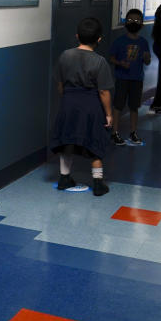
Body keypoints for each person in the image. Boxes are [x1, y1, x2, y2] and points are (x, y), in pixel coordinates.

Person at [50, 17, 113, 196]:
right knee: (95, 143)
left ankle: (64, 178)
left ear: (77, 36)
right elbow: (104, 92)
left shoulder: (65, 56)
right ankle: (98, 183)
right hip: (91, 106)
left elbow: (60, 84)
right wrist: (108, 114)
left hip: (69, 103)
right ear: (99, 39)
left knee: (66, 141)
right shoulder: (99, 61)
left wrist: (67, 98)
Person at [109, 8, 152, 146]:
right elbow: (111, 58)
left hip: (137, 79)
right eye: (130, 20)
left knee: (134, 107)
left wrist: (146, 58)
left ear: (141, 24)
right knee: (118, 106)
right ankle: (115, 132)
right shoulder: (119, 41)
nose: (133, 23)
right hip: (122, 78)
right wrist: (120, 63)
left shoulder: (143, 42)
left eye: (137, 20)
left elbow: (147, 61)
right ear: (125, 23)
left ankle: (133, 132)